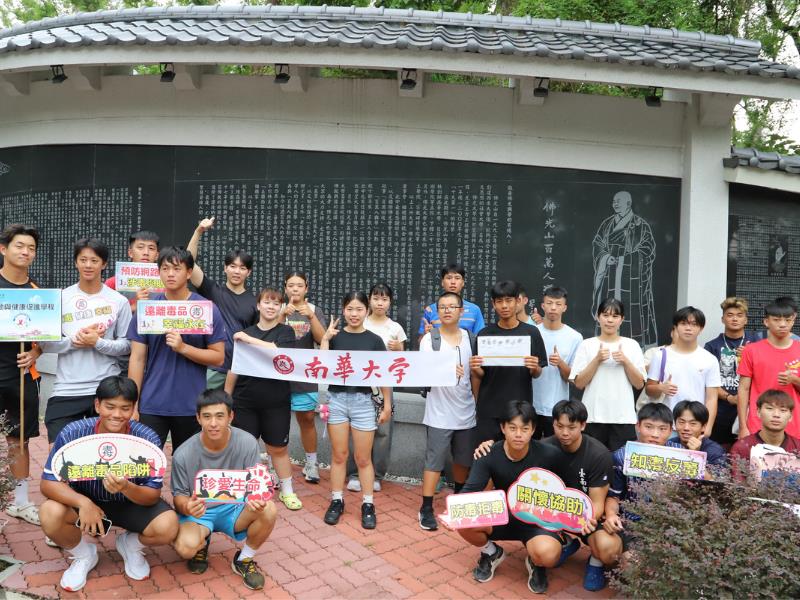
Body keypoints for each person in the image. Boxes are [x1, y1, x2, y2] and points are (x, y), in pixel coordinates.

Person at [39, 376, 179, 591]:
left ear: (134, 408)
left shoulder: (147, 439)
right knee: (50, 512)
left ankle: (130, 545)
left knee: (168, 526)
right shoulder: (73, 433)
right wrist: (83, 503)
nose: (117, 414)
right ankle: (84, 555)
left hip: (130, 502)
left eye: (125, 408)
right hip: (87, 498)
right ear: (97, 405)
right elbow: (48, 483)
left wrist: (126, 487)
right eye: (110, 407)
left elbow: (152, 494)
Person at [453, 401, 566, 594]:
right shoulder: (488, 453)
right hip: (502, 515)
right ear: (503, 428)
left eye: (525, 428)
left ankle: (536, 561)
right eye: (513, 428)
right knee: (462, 519)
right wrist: (454, 512)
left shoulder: (550, 455)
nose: (518, 434)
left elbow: (565, 492)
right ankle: (491, 552)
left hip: (536, 521)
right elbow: (470, 490)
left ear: (533, 430)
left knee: (549, 555)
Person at [172, 389, 278, 591]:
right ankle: (202, 542)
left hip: (235, 509)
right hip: (200, 513)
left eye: (220, 416)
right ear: (198, 418)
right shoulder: (183, 454)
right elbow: (179, 496)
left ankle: (244, 559)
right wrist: (187, 506)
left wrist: (256, 499)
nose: (213, 423)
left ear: (231, 416)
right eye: (207, 416)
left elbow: (256, 484)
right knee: (185, 547)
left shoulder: (247, 442)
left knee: (269, 509)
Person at [127, 247, 226, 452]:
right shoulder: (148, 309)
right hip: (152, 403)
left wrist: (183, 348)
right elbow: (137, 358)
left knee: (188, 465)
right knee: (145, 461)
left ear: (189, 272)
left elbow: (218, 357)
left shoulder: (205, 309)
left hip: (191, 405)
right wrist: (133, 402)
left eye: (176, 268)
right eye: (165, 268)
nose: (170, 274)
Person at [40, 238, 132, 443]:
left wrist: (97, 343)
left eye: (94, 260)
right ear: (76, 262)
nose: (88, 265)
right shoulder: (61, 298)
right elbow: (45, 344)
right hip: (66, 388)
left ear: (104, 264)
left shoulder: (119, 301)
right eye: (83, 260)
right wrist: (76, 341)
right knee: (59, 452)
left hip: (106, 388)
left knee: (105, 451)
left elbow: (127, 345)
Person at [224, 286, 302, 511]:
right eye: (267, 302)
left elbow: (278, 353)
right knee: (245, 447)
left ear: (281, 308)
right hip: (245, 401)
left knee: (278, 448)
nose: (271, 307)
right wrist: (226, 399)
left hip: (276, 402)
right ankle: (246, 489)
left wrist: (248, 340)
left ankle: (287, 490)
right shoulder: (246, 332)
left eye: (276, 303)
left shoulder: (285, 332)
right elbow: (234, 368)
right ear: (258, 305)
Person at [321, 292, 392, 529]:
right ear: (343, 310)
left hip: (364, 402)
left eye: (359, 309)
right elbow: (322, 367)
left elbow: (385, 374)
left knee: (363, 458)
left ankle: (368, 504)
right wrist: (325, 340)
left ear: (366, 311)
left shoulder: (374, 341)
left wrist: (387, 404)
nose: (354, 314)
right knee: (339, 455)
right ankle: (337, 500)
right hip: (337, 400)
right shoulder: (335, 337)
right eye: (350, 309)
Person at [417, 291, 476, 531]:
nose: (447, 310)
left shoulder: (471, 339)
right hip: (439, 413)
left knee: (463, 460)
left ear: (461, 311)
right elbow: (422, 372)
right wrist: (447, 371)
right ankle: (426, 508)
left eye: (452, 306)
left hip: (466, 411)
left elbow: (475, 375)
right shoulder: (429, 340)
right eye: (442, 307)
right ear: (437, 311)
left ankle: (458, 503)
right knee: (434, 461)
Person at [600, 404, 682, 565]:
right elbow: (614, 496)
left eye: (662, 429)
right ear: (638, 426)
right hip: (634, 524)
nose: (655, 434)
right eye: (649, 427)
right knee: (633, 563)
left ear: (670, 430)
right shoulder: (622, 456)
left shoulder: (680, 454)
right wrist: (610, 515)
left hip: (671, 524)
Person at [0, 224, 44, 525]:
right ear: (4, 249)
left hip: (20, 375)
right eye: (19, 245)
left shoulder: (37, 293)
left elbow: (46, 338)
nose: (25, 252)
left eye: (31, 248)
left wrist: (36, 353)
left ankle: (21, 502)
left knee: (19, 440)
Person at [470, 280, 547, 446]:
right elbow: (481, 374)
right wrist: (475, 368)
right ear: (493, 304)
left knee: (517, 455)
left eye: (508, 300)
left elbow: (537, 373)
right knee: (486, 453)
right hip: (489, 409)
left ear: (518, 301)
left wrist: (534, 367)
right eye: (499, 301)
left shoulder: (531, 332)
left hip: (520, 409)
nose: (504, 306)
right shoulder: (485, 334)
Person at [347, 283, 407, 493]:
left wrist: (399, 348)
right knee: (355, 430)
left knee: (382, 432)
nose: (380, 303)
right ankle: (354, 474)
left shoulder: (395, 328)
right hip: (359, 383)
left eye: (384, 299)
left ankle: (377, 475)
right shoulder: (360, 321)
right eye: (376, 298)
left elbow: (402, 359)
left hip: (383, 386)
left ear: (390, 302)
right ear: (369, 300)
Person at [187, 217, 257, 390]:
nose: (237, 271)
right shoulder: (212, 290)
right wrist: (198, 231)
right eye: (232, 266)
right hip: (213, 368)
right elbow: (188, 263)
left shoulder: (255, 302)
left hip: (241, 370)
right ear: (225, 268)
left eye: (242, 268)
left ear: (248, 272)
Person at [570, 298, 646, 451]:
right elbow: (578, 383)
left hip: (623, 418)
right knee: (593, 460)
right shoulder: (587, 345)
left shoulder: (632, 345)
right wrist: (597, 360)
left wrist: (625, 361)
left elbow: (639, 384)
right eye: (605, 315)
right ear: (598, 317)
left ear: (622, 319)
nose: (610, 320)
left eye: (615, 316)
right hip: (593, 416)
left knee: (621, 462)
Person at [590, 191, 657, 347]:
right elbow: (598, 244)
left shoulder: (641, 225)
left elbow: (648, 249)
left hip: (632, 281)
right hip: (609, 276)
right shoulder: (607, 224)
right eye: (614, 201)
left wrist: (626, 260)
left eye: (618, 201)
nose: (615, 204)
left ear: (628, 203)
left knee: (632, 316)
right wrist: (606, 257)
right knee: (608, 310)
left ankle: (634, 348)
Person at [644, 307, 720, 436]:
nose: (688, 328)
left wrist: (707, 428)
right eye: (683, 323)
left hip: (695, 426)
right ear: (676, 327)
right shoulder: (661, 355)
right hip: (666, 425)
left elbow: (711, 398)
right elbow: (649, 389)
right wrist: (661, 388)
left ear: (701, 328)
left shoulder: (709, 359)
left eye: (694, 324)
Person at [282, 271, 327, 484]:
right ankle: (274, 465)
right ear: (285, 288)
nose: (295, 289)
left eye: (299, 285)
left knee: (307, 418)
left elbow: (322, 339)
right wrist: (281, 315)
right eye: (291, 285)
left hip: (305, 373)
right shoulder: (278, 308)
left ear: (306, 288)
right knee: (276, 420)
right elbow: (267, 334)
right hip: (279, 373)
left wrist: (310, 316)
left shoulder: (314, 310)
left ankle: (311, 463)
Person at [738, 297, 800, 440]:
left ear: (793, 321)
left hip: (793, 425)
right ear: (766, 322)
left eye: (788, 320)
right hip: (758, 423)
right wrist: (742, 426)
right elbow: (743, 389)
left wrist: (794, 380)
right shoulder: (751, 350)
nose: (783, 324)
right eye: (777, 320)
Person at [704, 297, 758, 447]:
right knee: (718, 452)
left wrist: (750, 355)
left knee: (749, 453)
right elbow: (707, 382)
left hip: (751, 411)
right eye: (730, 315)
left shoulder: (756, 344)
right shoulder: (712, 346)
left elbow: (764, 375)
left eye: (739, 315)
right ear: (722, 319)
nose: (735, 319)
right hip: (720, 412)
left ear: (746, 320)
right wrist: (729, 397)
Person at [531, 286, 582, 439]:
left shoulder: (574, 337)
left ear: (564, 307)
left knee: (555, 448)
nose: (553, 308)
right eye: (549, 303)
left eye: (558, 304)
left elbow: (573, 378)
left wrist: (560, 363)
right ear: (542, 305)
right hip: (531, 405)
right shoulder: (532, 332)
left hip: (558, 407)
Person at [731, 389, 800, 464]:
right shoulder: (742, 447)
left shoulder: (798, 447)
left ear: (791, 416)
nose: (776, 415)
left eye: (783, 410)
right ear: (758, 412)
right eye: (770, 408)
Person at [418, 262, 485, 339]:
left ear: (463, 282)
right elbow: (421, 341)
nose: (453, 282)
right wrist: (426, 335)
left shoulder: (474, 309)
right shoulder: (430, 310)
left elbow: (480, 339)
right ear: (442, 282)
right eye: (449, 278)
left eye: (457, 278)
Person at [105, 229, 160, 311]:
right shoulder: (113, 283)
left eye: (151, 248)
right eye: (140, 247)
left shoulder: (166, 282)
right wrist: (134, 306)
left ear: (157, 255)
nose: (146, 252)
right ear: (130, 253)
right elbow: (105, 314)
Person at [672, 400, 728, 469]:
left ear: (703, 427)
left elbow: (716, 476)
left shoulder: (715, 451)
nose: (686, 428)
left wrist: (696, 456)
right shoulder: (668, 445)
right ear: (675, 423)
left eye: (693, 423)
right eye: (681, 422)